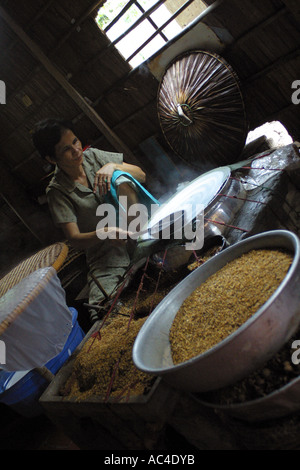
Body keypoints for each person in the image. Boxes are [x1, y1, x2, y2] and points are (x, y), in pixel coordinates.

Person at [32, 118, 159, 323]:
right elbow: (74, 239)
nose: (76, 150)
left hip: (141, 231)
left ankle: (144, 238)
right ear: (51, 159)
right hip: (107, 255)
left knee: (120, 176)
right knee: (102, 312)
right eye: (66, 149)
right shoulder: (57, 192)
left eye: (75, 141)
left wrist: (111, 166)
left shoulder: (93, 157)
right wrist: (105, 232)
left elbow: (141, 175)